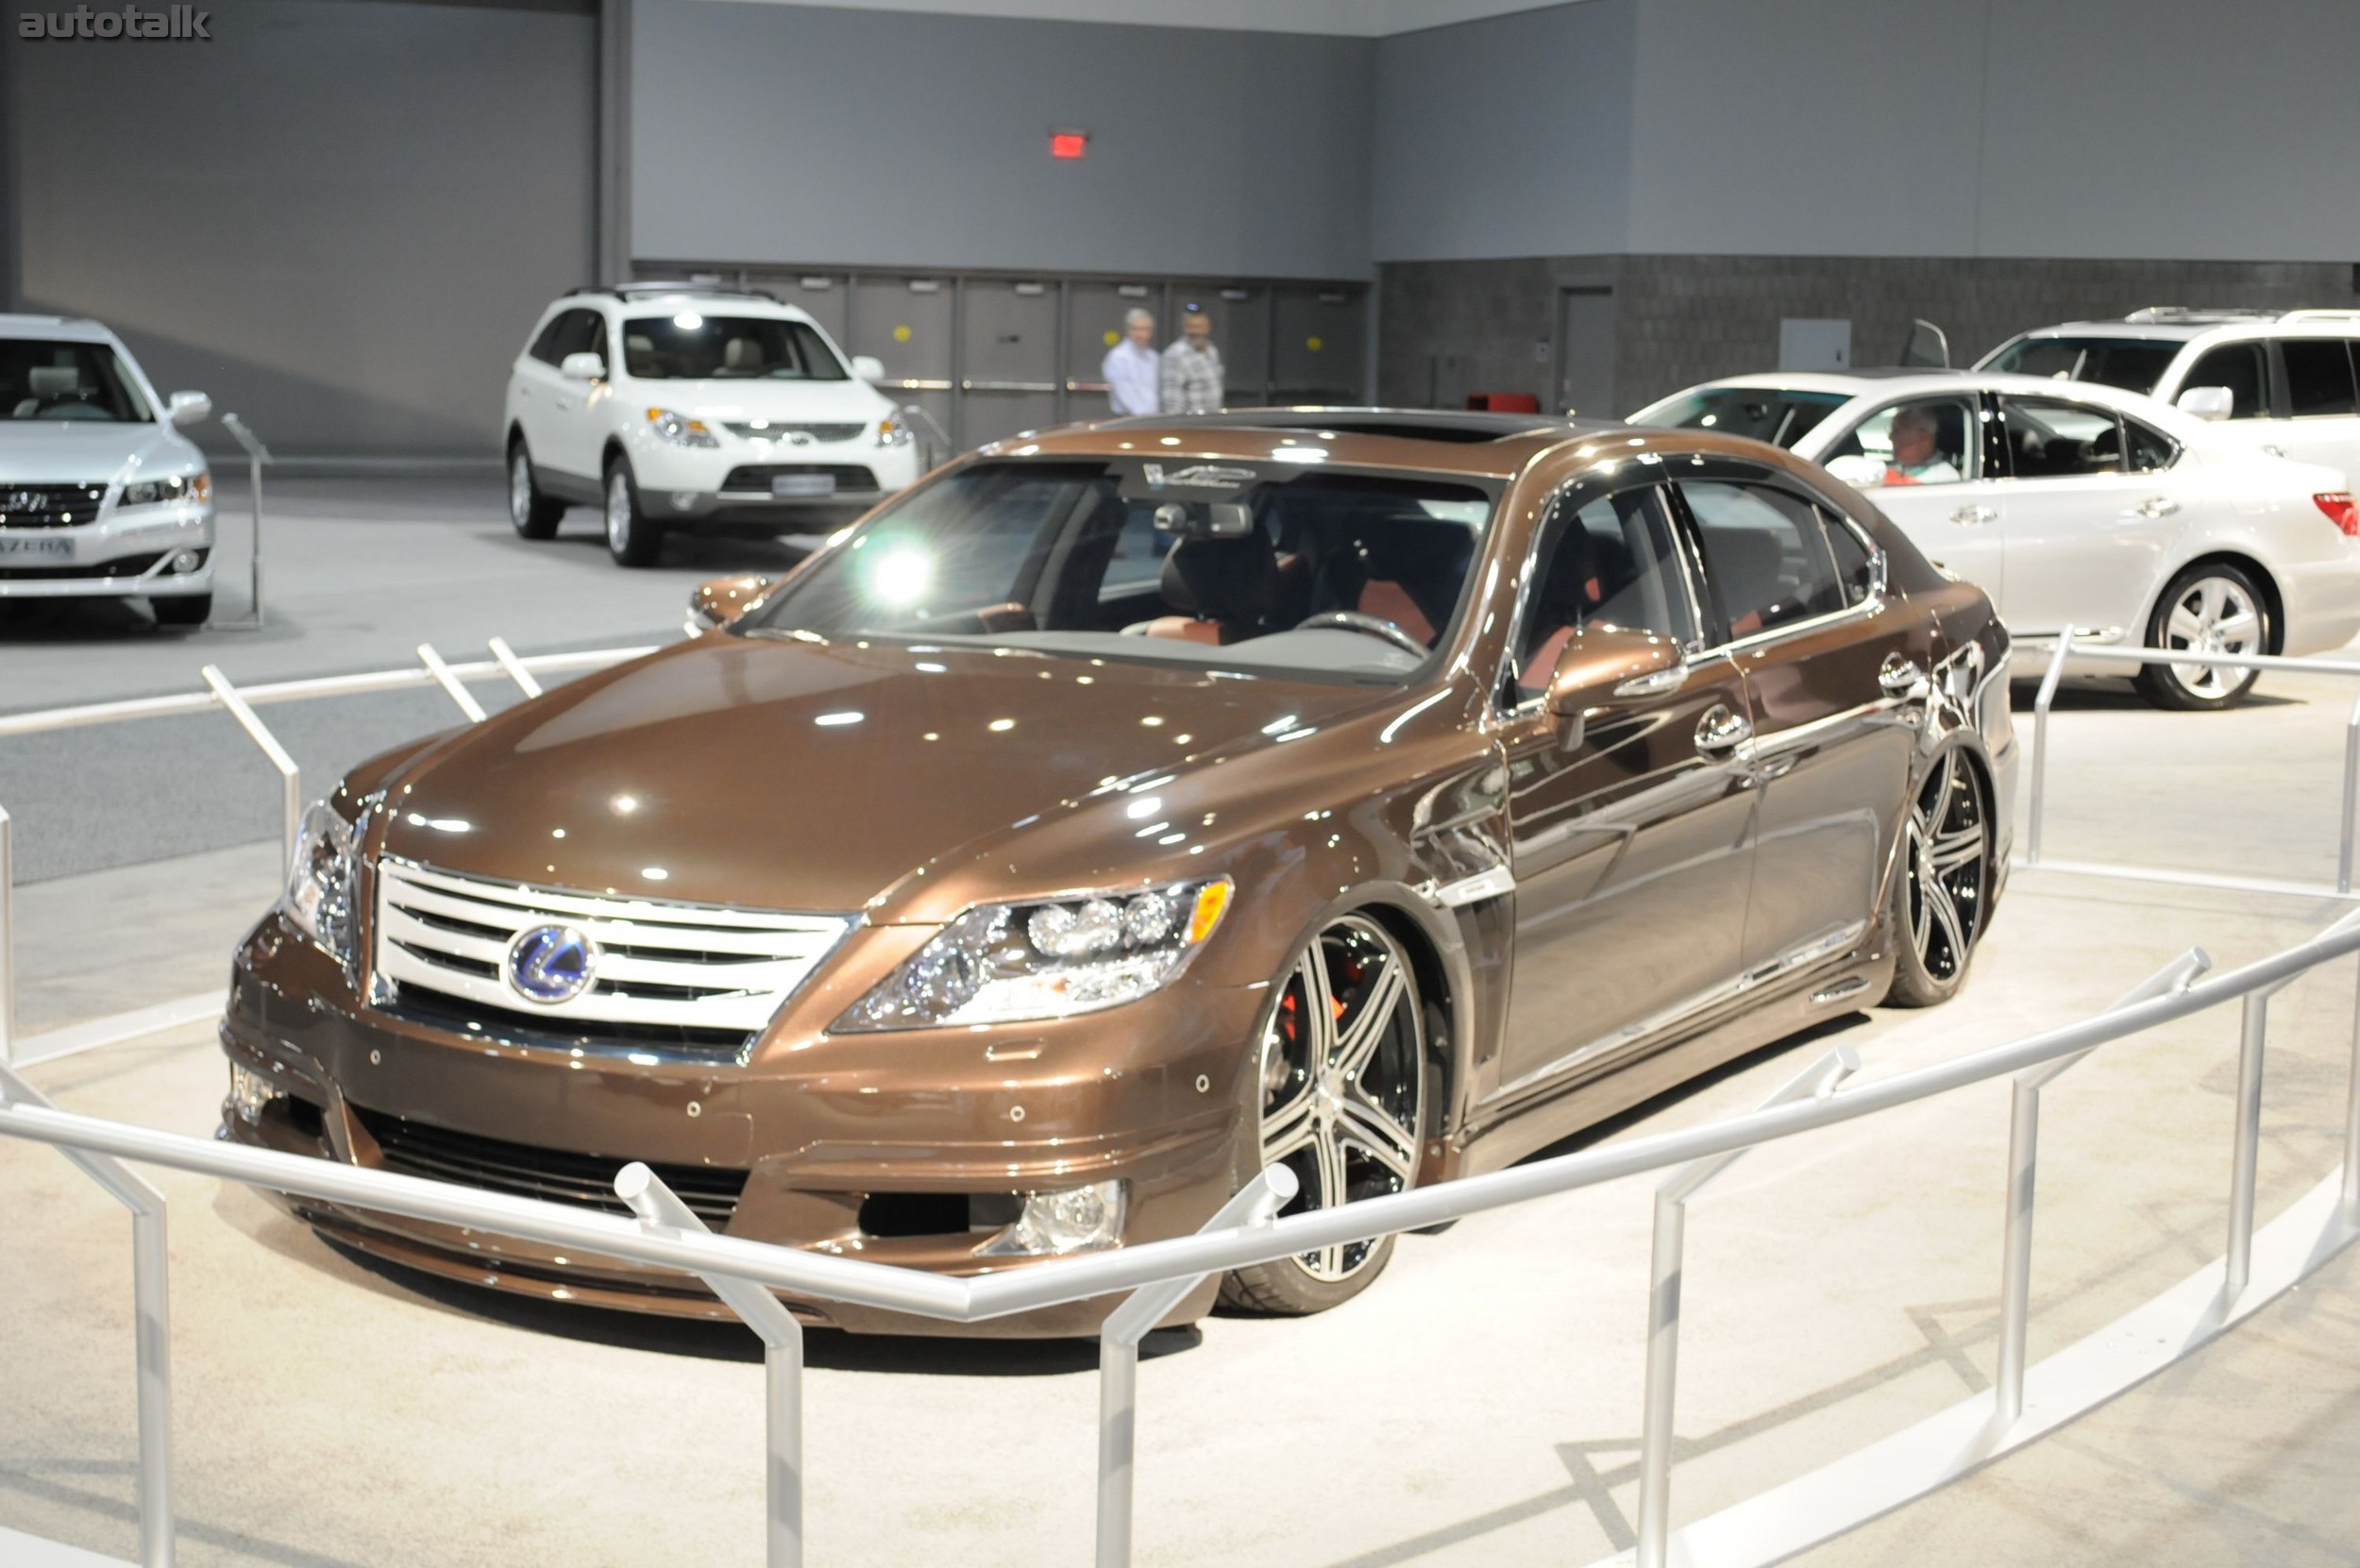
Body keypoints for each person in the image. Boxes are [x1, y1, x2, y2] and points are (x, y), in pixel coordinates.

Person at [1161, 309, 1224, 414]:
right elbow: (1171, 400)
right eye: (1191, 327)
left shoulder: (1212, 351)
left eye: (1199, 327)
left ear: (1208, 327)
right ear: (1184, 328)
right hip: (1191, 426)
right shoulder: (1175, 354)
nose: (1196, 331)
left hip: (1213, 423)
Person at [1882, 404, 1961, 484]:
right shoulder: (1889, 469)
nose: (1890, 437)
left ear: (1922, 438)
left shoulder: (1946, 477)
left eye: (1897, 431)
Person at [1102, 309, 1161, 415]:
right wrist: (1144, 415)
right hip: (1128, 419)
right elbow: (1123, 393)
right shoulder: (1118, 357)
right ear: (1128, 330)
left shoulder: (1154, 358)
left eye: (1144, 329)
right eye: (1135, 329)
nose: (1140, 334)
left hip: (1154, 418)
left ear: (1151, 332)